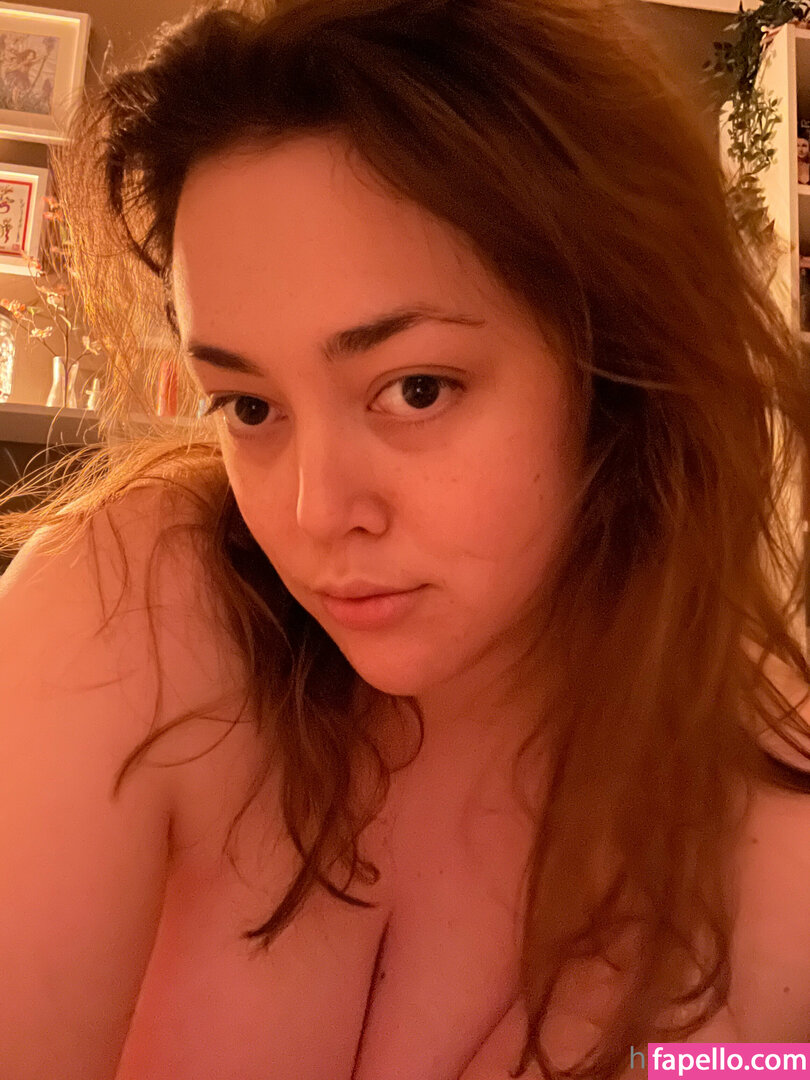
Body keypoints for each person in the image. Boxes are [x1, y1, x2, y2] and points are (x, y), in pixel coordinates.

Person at [1, 0, 810, 1077]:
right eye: (250, 406)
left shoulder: (769, 836)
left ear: (615, 370)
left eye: (414, 389)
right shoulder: (132, 611)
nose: (312, 511)